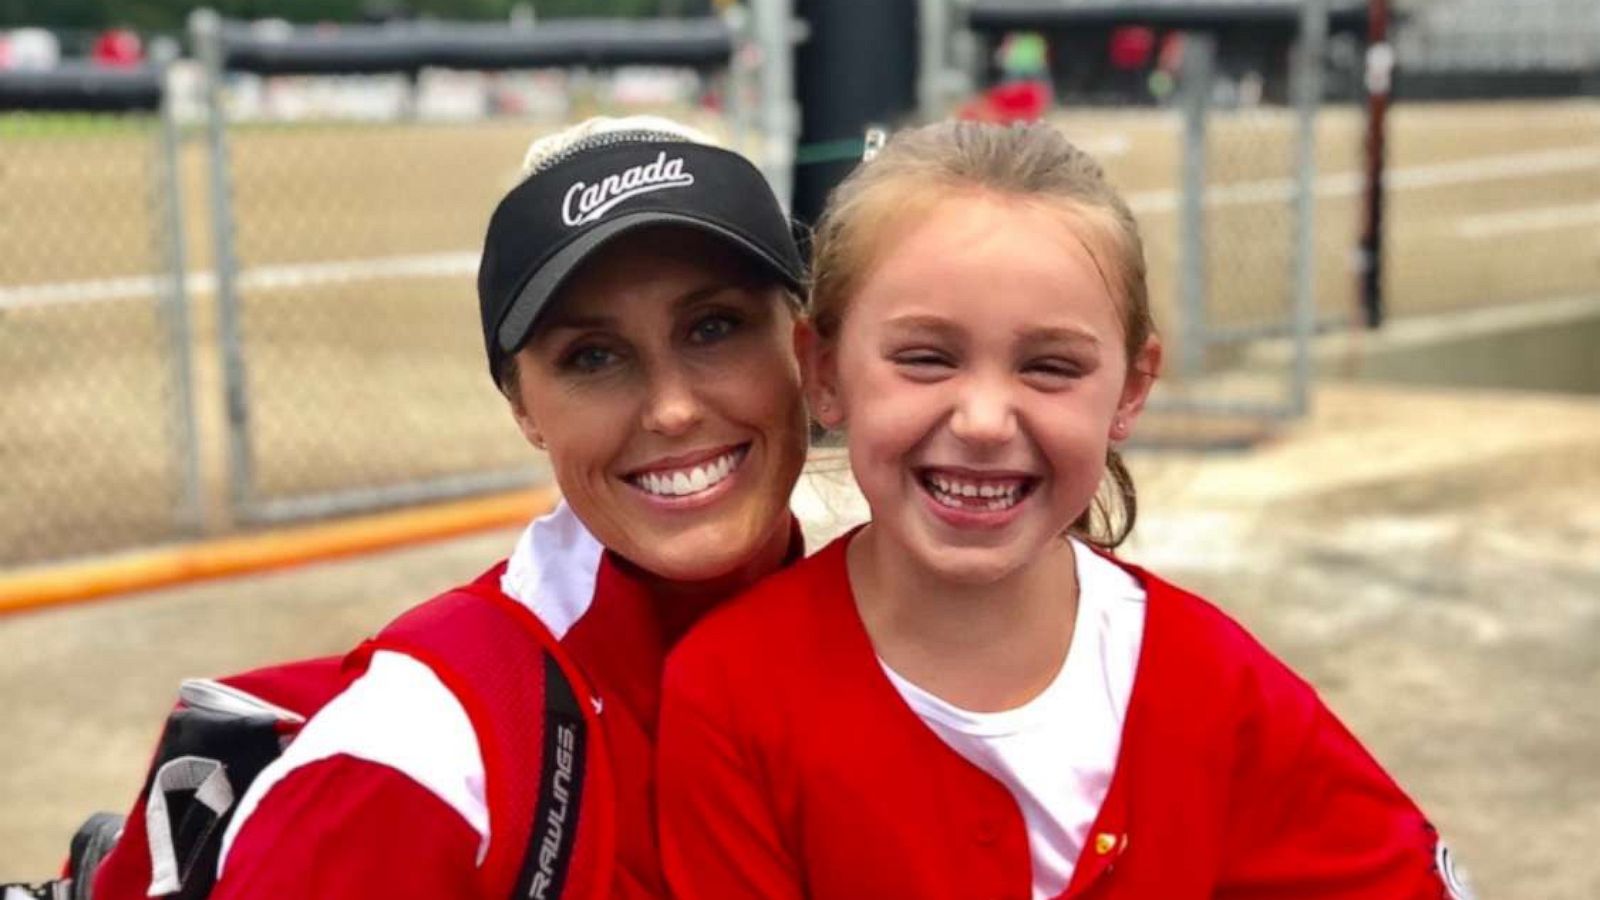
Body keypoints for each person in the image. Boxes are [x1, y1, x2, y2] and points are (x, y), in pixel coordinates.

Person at [656, 121, 1472, 899]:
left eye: (1049, 367)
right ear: (824, 371)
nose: (982, 420)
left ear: (1133, 387)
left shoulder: (1211, 686)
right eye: (926, 358)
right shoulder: (731, 693)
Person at [88, 115, 812, 899]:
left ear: (808, 348)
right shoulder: (417, 751)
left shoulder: (913, 633)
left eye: (715, 327)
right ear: (524, 410)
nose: (671, 410)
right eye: (593, 357)